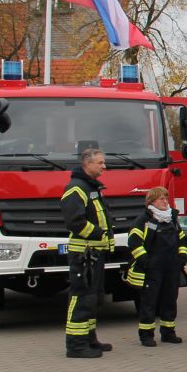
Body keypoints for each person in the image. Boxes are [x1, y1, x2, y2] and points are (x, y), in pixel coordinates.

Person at [60, 148, 115, 358]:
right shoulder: (76, 189)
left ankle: (90, 340)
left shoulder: (91, 187)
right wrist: (98, 233)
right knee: (82, 298)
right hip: (84, 254)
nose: (104, 166)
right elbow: (75, 221)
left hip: (94, 254)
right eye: (100, 163)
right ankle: (75, 346)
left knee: (94, 298)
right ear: (87, 164)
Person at [126, 187, 187, 346]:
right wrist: (145, 261)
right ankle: (146, 335)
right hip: (152, 269)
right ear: (151, 201)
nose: (165, 201)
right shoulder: (144, 220)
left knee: (170, 301)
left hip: (171, 268)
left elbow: (182, 239)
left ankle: (168, 333)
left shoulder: (172, 219)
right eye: (161, 199)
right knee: (149, 303)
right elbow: (134, 242)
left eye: (166, 199)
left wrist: (182, 256)